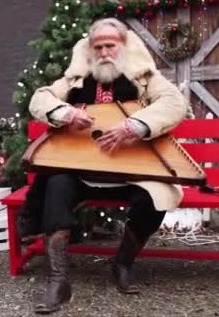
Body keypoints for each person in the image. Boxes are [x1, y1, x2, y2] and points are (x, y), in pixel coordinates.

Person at [18, 18, 188, 314]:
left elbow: (175, 102)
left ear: (123, 46)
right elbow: (39, 98)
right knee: (56, 184)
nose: (104, 52)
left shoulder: (144, 78)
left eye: (111, 45)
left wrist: (135, 125)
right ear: (90, 50)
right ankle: (59, 281)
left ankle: (122, 262)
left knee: (157, 197)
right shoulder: (75, 81)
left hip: (132, 172)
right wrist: (66, 113)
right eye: (98, 47)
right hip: (83, 172)